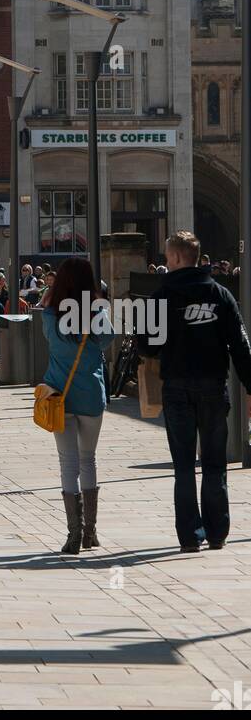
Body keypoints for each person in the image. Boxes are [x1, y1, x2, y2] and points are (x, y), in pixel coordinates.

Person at [143, 231, 251, 552]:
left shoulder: (160, 297)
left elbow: (147, 346)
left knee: (184, 465)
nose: (165, 261)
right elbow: (241, 345)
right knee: (215, 463)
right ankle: (217, 532)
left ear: (176, 258)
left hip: (176, 387)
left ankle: (190, 535)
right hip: (214, 387)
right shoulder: (220, 294)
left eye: (166, 256)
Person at [41, 257, 115, 555]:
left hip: (58, 395)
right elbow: (108, 338)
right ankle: (90, 533)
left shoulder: (50, 315)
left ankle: (72, 534)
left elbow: (47, 331)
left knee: (67, 463)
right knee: (88, 459)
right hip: (91, 395)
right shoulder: (95, 313)